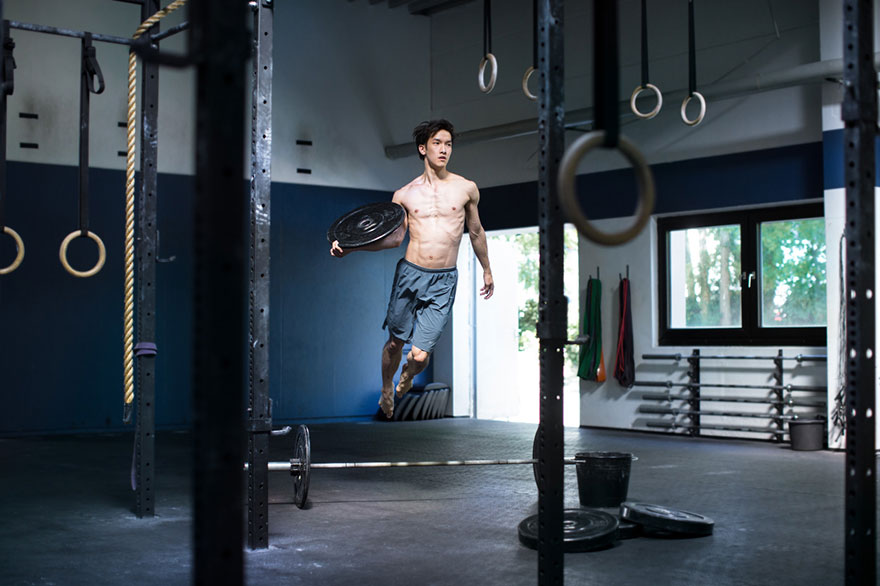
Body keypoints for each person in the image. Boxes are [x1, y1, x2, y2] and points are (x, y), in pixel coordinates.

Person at [330, 119, 494, 418]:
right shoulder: (404, 195)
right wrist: (351, 247)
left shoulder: (466, 188)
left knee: (419, 355)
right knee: (394, 343)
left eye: (448, 144)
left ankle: (408, 374)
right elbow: (392, 240)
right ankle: (386, 388)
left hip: (444, 279)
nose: (444, 149)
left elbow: (476, 231)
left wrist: (487, 269)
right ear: (423, 148)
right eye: (437, 143)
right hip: (410, 274)